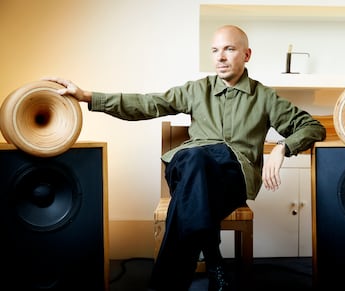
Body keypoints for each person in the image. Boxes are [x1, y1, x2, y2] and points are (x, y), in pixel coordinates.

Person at [45, 25, 326, 291]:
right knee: (195, 159)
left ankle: (192, 270)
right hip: (189, 167)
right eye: (215, 50)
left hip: (231, 179)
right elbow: (148, 103)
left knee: (200, 172)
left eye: (229, 49)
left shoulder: (265, 98)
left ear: (246, 54)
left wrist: (282, 148)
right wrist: (87, 96)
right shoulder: (196, 90)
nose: (221, 57)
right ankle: (212, 263)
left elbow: (313, 127)